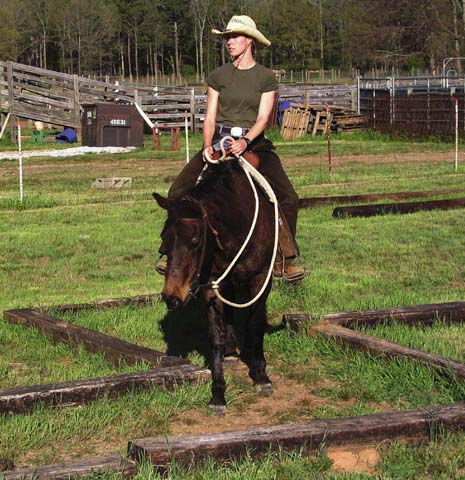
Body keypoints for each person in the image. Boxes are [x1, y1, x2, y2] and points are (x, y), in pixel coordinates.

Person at [158, 15, 304, 283]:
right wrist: (206, 146)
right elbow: (210, 117)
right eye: (226, 38)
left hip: (254, 144)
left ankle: (285, 257)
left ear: (249, 41)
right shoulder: (218, 76)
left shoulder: (266, 78)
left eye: (234, 37)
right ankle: (170, 253)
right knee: (177, 192)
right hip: (219, 142)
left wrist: (246, 141)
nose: (229, 42)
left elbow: (262, 118)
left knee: (288, 197)